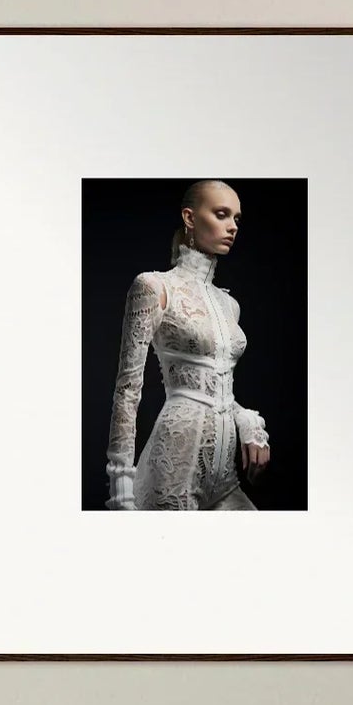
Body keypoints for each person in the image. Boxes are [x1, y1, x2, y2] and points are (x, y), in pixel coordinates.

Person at [103, 180, 271, 511]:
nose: (232, 227)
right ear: (190, 218)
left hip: (224, 477)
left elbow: (216, 389)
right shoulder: (153, 286)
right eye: (221, 214)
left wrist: (248, 421)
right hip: (174, 468)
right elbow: (127, 391)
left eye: (237, 219)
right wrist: (120, 489)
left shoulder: (229, 305)